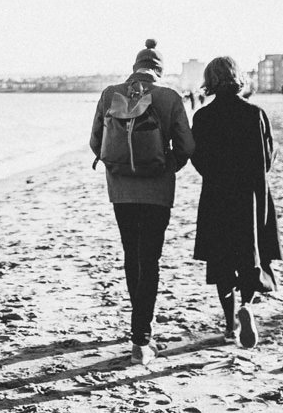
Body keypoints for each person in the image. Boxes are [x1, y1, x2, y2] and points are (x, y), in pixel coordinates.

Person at [89, 39, 195, 364]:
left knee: (131, 256)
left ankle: (139, 330)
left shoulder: (110, 94)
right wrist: (167, 165)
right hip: (157, 194)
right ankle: (141, 340)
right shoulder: (170, 97)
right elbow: (188, 147)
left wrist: (118, 166)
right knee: (149, 261)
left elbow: (96, 143)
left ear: (135, 66)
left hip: (120, 192)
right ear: (159, 71)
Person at [192, 57, 281, 348]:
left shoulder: (203, 117)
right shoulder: (255, 113)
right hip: (251, 197)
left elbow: (199, 160)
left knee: (221, 261)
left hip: (217, 197)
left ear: (210, 81)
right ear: (237, 78)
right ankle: (247, 305)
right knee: (249, 255)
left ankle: (230, 325)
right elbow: (266, 159)